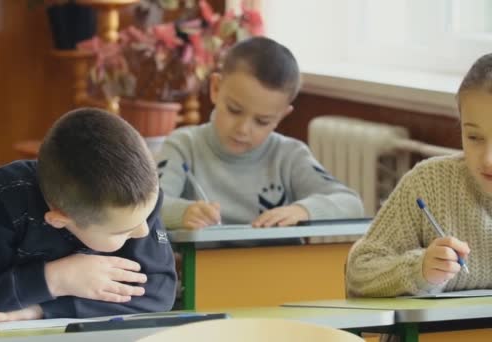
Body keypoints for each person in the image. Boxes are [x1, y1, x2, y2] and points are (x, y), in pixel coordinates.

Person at [0, 108, 177, 325]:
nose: (143, 231)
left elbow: (160, 293)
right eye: (120, 232)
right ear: (59, 220)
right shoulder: (1, 200)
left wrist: (40, 310)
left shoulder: (139, 197)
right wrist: (54, 279)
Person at [156, 36, 364, 230]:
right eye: (234, 110)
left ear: (281, 116)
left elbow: (350, 203)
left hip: (277, 267)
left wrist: (302, 210)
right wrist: (183, 213)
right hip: (201, 267)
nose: (243, 129)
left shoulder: (290, 155)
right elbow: (147, 204)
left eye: (262, 121)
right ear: (216, 88)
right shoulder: (183, 145)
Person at [346, 53, 492, 298]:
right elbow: (359, 272)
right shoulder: (429, 182)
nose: (488, 159)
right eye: (474, 138)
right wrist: (419, 270)